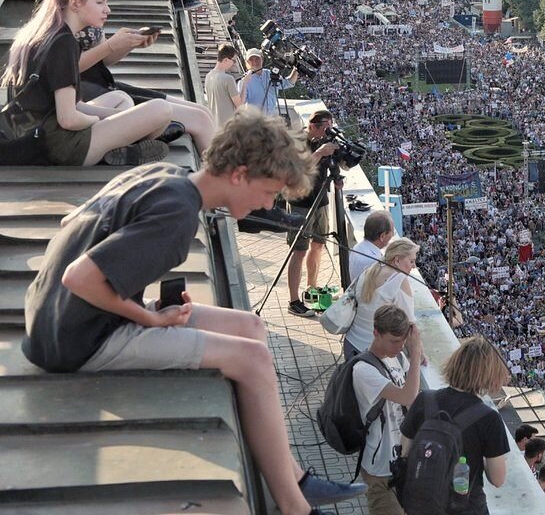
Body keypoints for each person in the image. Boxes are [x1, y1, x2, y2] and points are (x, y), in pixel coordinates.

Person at [21, 108, 365, 515]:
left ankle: (296, 477)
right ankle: (295, 507)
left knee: (251, 326)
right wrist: (148, 317)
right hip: (76, 342)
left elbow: (71, 222)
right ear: (239, 174)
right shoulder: (179, 216)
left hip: (57, 319)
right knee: (252, 360)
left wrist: (137, 297)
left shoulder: (165, 177)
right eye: (269, 191)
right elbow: (79, 278)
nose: (269, 203)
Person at [1, 0, 173, 166]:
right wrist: (100, 122)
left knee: (120, 98)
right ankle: (120, 149)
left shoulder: (49, 33)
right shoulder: (63, 44)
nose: (107, 10)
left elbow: (73, 106)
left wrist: (120, 118)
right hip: (62, 146)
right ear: (75, 4)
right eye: (100, 2)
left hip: (45, 133)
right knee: (162, 109)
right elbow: (68, 119)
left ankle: (121, 150)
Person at [67, 0, 216, 151]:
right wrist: (109, 45)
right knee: (201, 120)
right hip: (84, 91)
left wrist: (128, 44)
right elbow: (62, 68)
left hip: (101, 83)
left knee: (203, 112)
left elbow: (102, 61)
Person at [400, 335, 510, 515]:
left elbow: (405, 452)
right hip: (466, 507)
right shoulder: (490, 419)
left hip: (421, 505)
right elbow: (498, 479)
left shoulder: (424, 399)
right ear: (490, 376)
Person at [353, 304, 423, 515]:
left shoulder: (398, 358)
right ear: (376, 333)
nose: (399, 347)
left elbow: (412, 403)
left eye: (402, 341)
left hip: (400, 460)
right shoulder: (363, 370)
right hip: (380, 469)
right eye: (393, 341)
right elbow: (408, 396)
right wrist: (416, 353)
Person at [285, 110, 342, 317]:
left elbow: (332, 165)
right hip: (301, 201)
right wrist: (320, 153)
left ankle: (311, 287)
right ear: (313, 126)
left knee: (318, 245)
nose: (328, 131)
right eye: (326, 127)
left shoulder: (324, 141)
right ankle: (293, 301)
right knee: (299, 250)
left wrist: (337, 175)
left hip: (320, 199)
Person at [344, 238, 419, 360]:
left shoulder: (370, 270)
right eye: (411, 261)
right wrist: (418, 353)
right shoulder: (399, 279)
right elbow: (410, 324)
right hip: (372, 352)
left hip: (351, 343)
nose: (414, 266)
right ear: (397, 260)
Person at [240, 47, 297, 116]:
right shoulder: (244, 80)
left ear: (262, 59)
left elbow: (287, 83)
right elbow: (240, 103)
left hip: (270, 118)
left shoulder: (270, 73)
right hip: (254, 120)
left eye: (257, 58)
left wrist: (295, 70)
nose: (255, 62)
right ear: (247, 62)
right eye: (251, 59)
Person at [349, 210, 397, 283]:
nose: (393, 235)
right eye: (392, 232)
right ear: (382, 236)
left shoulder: (357, 247)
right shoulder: (374, 262)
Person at [205, 43, 244, 127]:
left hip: (213, 126)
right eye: (233, 60)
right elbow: (240, 106)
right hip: (227, 128)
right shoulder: (228, 79)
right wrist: (245, 83)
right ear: (226, 59)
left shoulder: (208, 76)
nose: (234, 63)